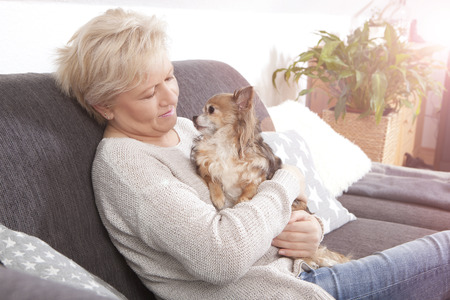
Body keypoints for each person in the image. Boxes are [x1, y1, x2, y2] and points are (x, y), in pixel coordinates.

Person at [55, 8, 450, 300]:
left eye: (169, 76)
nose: (170, 97)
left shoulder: (184, 129)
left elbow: (255, 182)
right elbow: (221, 255)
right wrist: (290, 180)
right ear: (103, 105)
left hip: (301, 271)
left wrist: (307, 223)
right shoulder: (126, 167)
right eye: (147, 93)